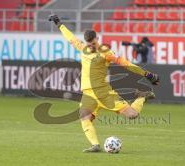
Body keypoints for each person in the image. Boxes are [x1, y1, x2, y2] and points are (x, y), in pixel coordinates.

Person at [49, 15, 159, 152]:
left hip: (104, 92)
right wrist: (60, 25)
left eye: (91, 42)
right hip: (88, 93)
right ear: (92, 39)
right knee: (84, 117)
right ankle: (95, 145)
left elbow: (126, 64)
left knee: (132, 115)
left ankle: (142, 96)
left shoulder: (105, 52)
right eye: (89, 42)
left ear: (95, 39)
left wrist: (147, 74)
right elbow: (70, 38)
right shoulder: (84, 48)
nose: (90, 44)